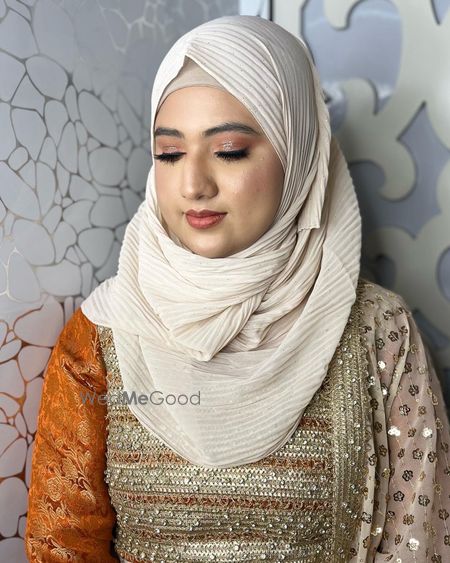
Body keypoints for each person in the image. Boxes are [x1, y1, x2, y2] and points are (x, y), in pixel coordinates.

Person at [24, 14, 450, 563]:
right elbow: (62, 545)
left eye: (228, 150)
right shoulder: (103, 333)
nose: (193, 184)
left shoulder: (377, 330)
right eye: (169, 154)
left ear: (300, 155)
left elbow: (417, 536)